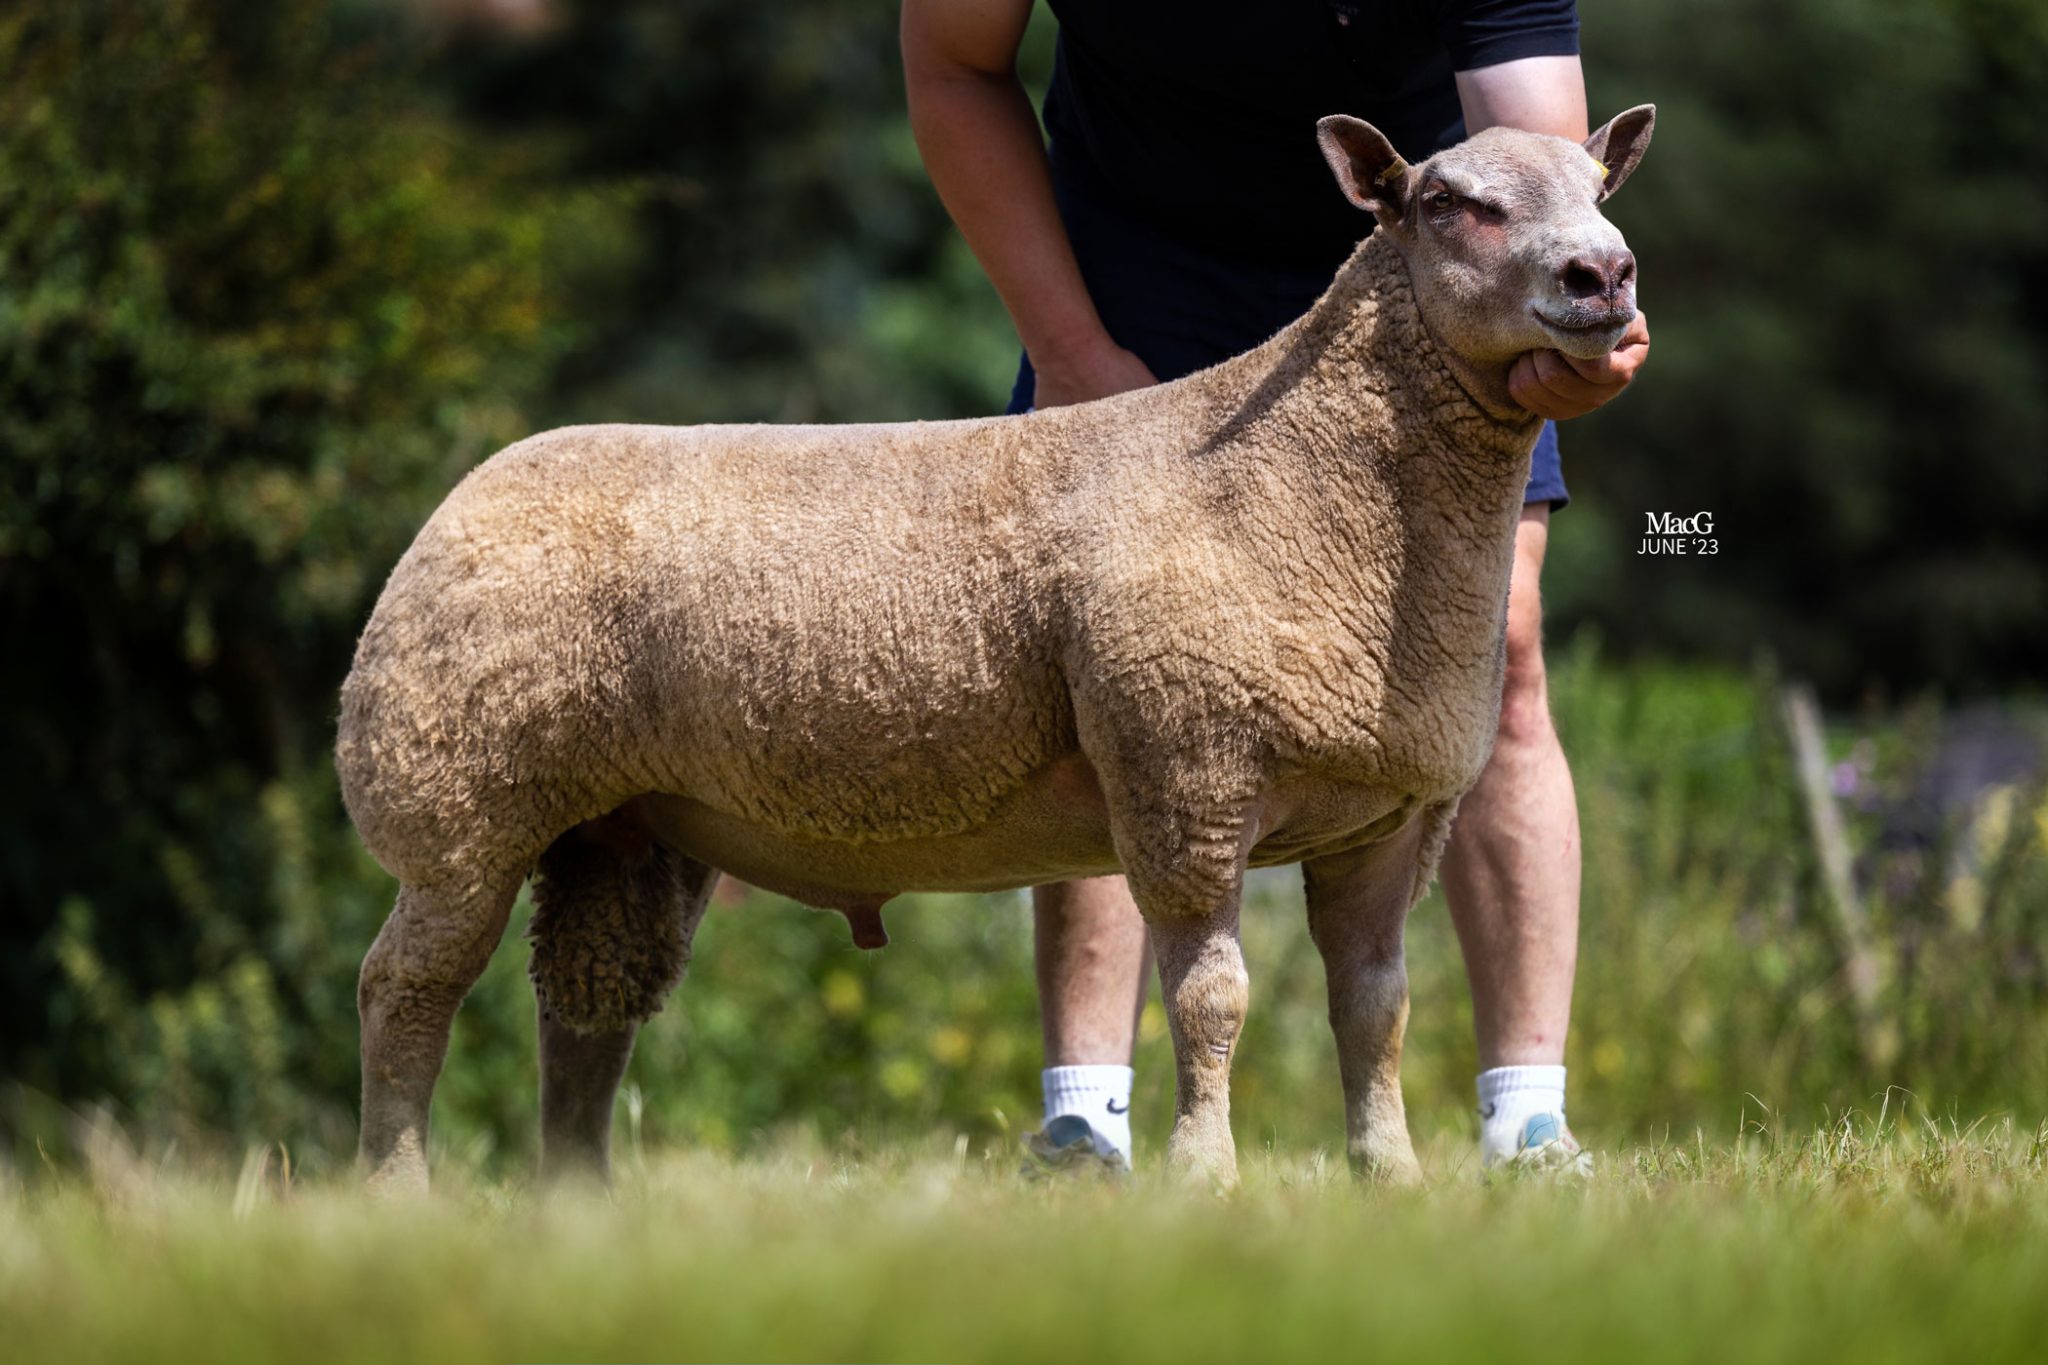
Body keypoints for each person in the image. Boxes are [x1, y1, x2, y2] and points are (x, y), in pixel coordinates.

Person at [901, 0, 1648, 1172]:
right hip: (1137, 265)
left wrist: (1568, 338)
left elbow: (1549, 152)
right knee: (1124, 671)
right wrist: (1071, 352)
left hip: (1439, 257)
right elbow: (951, 68)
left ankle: (1526, 1123)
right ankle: (1084, 1123)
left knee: (1499, 641)